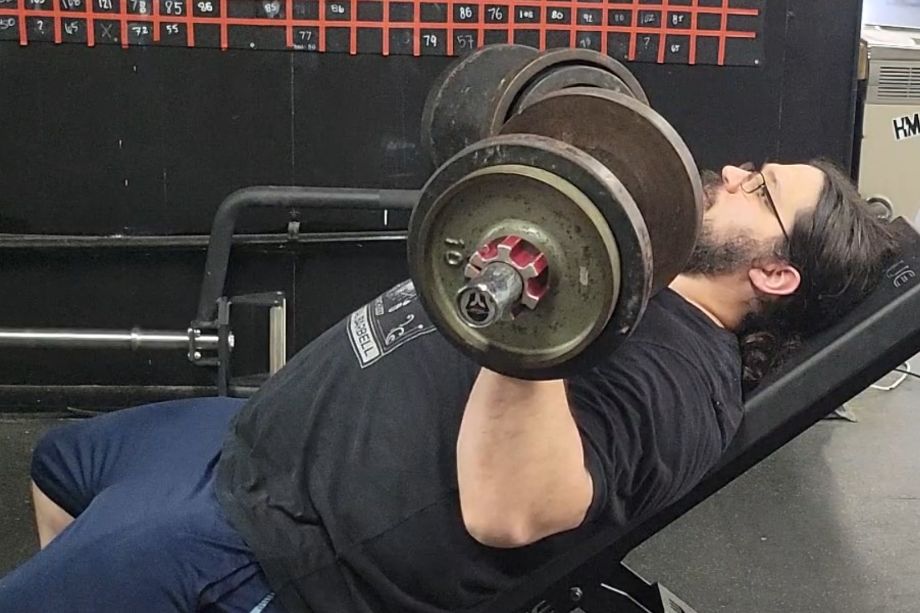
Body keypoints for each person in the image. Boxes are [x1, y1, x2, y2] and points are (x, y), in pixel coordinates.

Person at [0, 160, 897, 613]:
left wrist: (538, 330)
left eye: (760, 189)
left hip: (274, 549)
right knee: (60, 461)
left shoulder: (685, 379)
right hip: (252, 446)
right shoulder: (640, 272)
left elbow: (512, 510)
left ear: (775, 274)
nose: (734, 172)